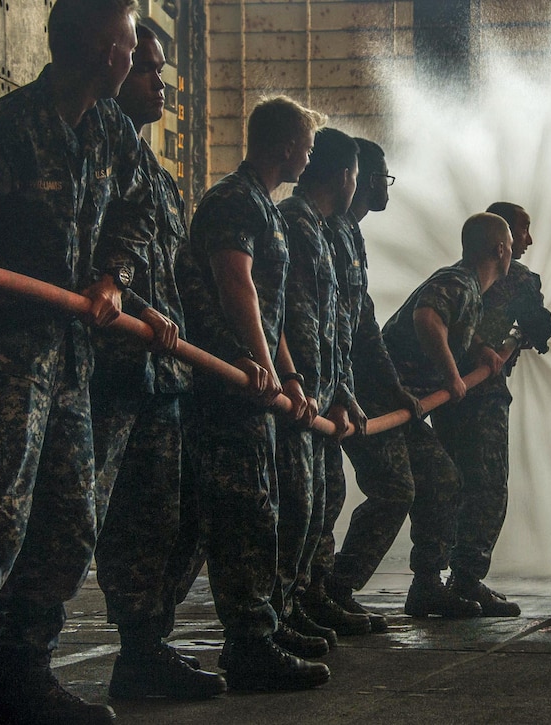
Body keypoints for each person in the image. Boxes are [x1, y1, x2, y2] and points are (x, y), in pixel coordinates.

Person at [0, 0, 175, 721]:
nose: (137, 60)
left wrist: (114, 277)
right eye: (133, 46)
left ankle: (20, 674)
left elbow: (137, 213)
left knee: (69, 520)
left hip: (70, 360)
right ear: (108, 52)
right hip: (1, 357)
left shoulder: (113, 134)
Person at [89, 24, 226, 701]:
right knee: (118, 521)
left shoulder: (158, 177)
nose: (160, 83)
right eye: (148, 69)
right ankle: (135, 651)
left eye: (163, 70)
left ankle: (147, 646)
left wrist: (228, 356)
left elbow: (181, 275)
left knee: (180, 515)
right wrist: (142, 310)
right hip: (112, 371)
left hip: (168, 376)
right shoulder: (95, 146)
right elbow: (89, 259)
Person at [184, 95, 330, 691]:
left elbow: (273, 310)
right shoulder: (233, 201)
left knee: (263, 511)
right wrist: (260, 365)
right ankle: (248, 647)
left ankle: (261, 631)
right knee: (243, 515)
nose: (312, 154)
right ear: (285, 145)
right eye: (307, 143)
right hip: (227, 383)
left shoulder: (263, 208)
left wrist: (287, 375)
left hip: (257, 384)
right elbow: (234, 281)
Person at [381, 212, 512, 618]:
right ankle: (348, 584)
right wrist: (453, 375)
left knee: (440, 481)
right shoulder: (461, 282)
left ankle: (427, 586)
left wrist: (478, 350)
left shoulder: (464, 284)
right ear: (501, 250)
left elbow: (453, 324)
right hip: (384, 400)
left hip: (398, 402)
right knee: (432, 483)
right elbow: (428, 317)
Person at [319, 138, 422, 631]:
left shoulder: (350, 236)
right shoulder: (319, 228)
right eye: (382, 175)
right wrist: (342, 390)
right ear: (356, 174)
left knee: (391, 489)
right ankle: (315, 597)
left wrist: (393, 389)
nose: (385, 186)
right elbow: (319, 322)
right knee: (322, 497)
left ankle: (333, 590)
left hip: (349, 385)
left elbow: (362, 325)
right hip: (320, 386)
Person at [431, 202, 551, 616]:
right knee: (479, 488)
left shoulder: (475, 277)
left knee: (459, 487)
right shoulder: (477, 279)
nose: (528, 240)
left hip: (462, 393)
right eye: (523, 230)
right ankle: (456, 580)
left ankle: (445, 579)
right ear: (501, 240)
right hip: (469, 395)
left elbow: (536, 325)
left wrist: (528, 331)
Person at [274, 127, 370, 645]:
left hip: (321, 399)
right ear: (342, 175)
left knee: (322, 502)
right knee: (294, 510)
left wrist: (343, 394)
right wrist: (310, 388)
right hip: (298, 400)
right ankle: (278, 617)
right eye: (357, 175)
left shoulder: (323, 227)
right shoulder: (295, 223)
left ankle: (303, 601)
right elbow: (293, 318)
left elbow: (336, 328)